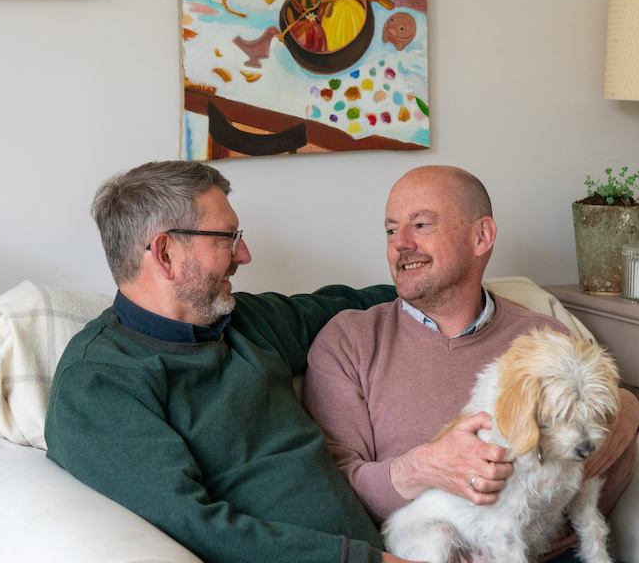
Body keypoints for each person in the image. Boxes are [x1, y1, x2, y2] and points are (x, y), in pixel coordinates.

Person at [44, 160, 419, 563]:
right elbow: (198, 527)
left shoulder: (244, 321)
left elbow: (351, 305)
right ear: (165, 253)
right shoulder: (100, 383)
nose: (245, 254)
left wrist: (442, 284)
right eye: (227, 238)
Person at [303, 165, 639, 560]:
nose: (400, 243)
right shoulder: (350, 341)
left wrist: (627, 410)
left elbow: (592, 455)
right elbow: (331, 487)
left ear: (481, 236)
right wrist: (423, 467)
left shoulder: (545, 339)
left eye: (421, 224)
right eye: (391, 230)